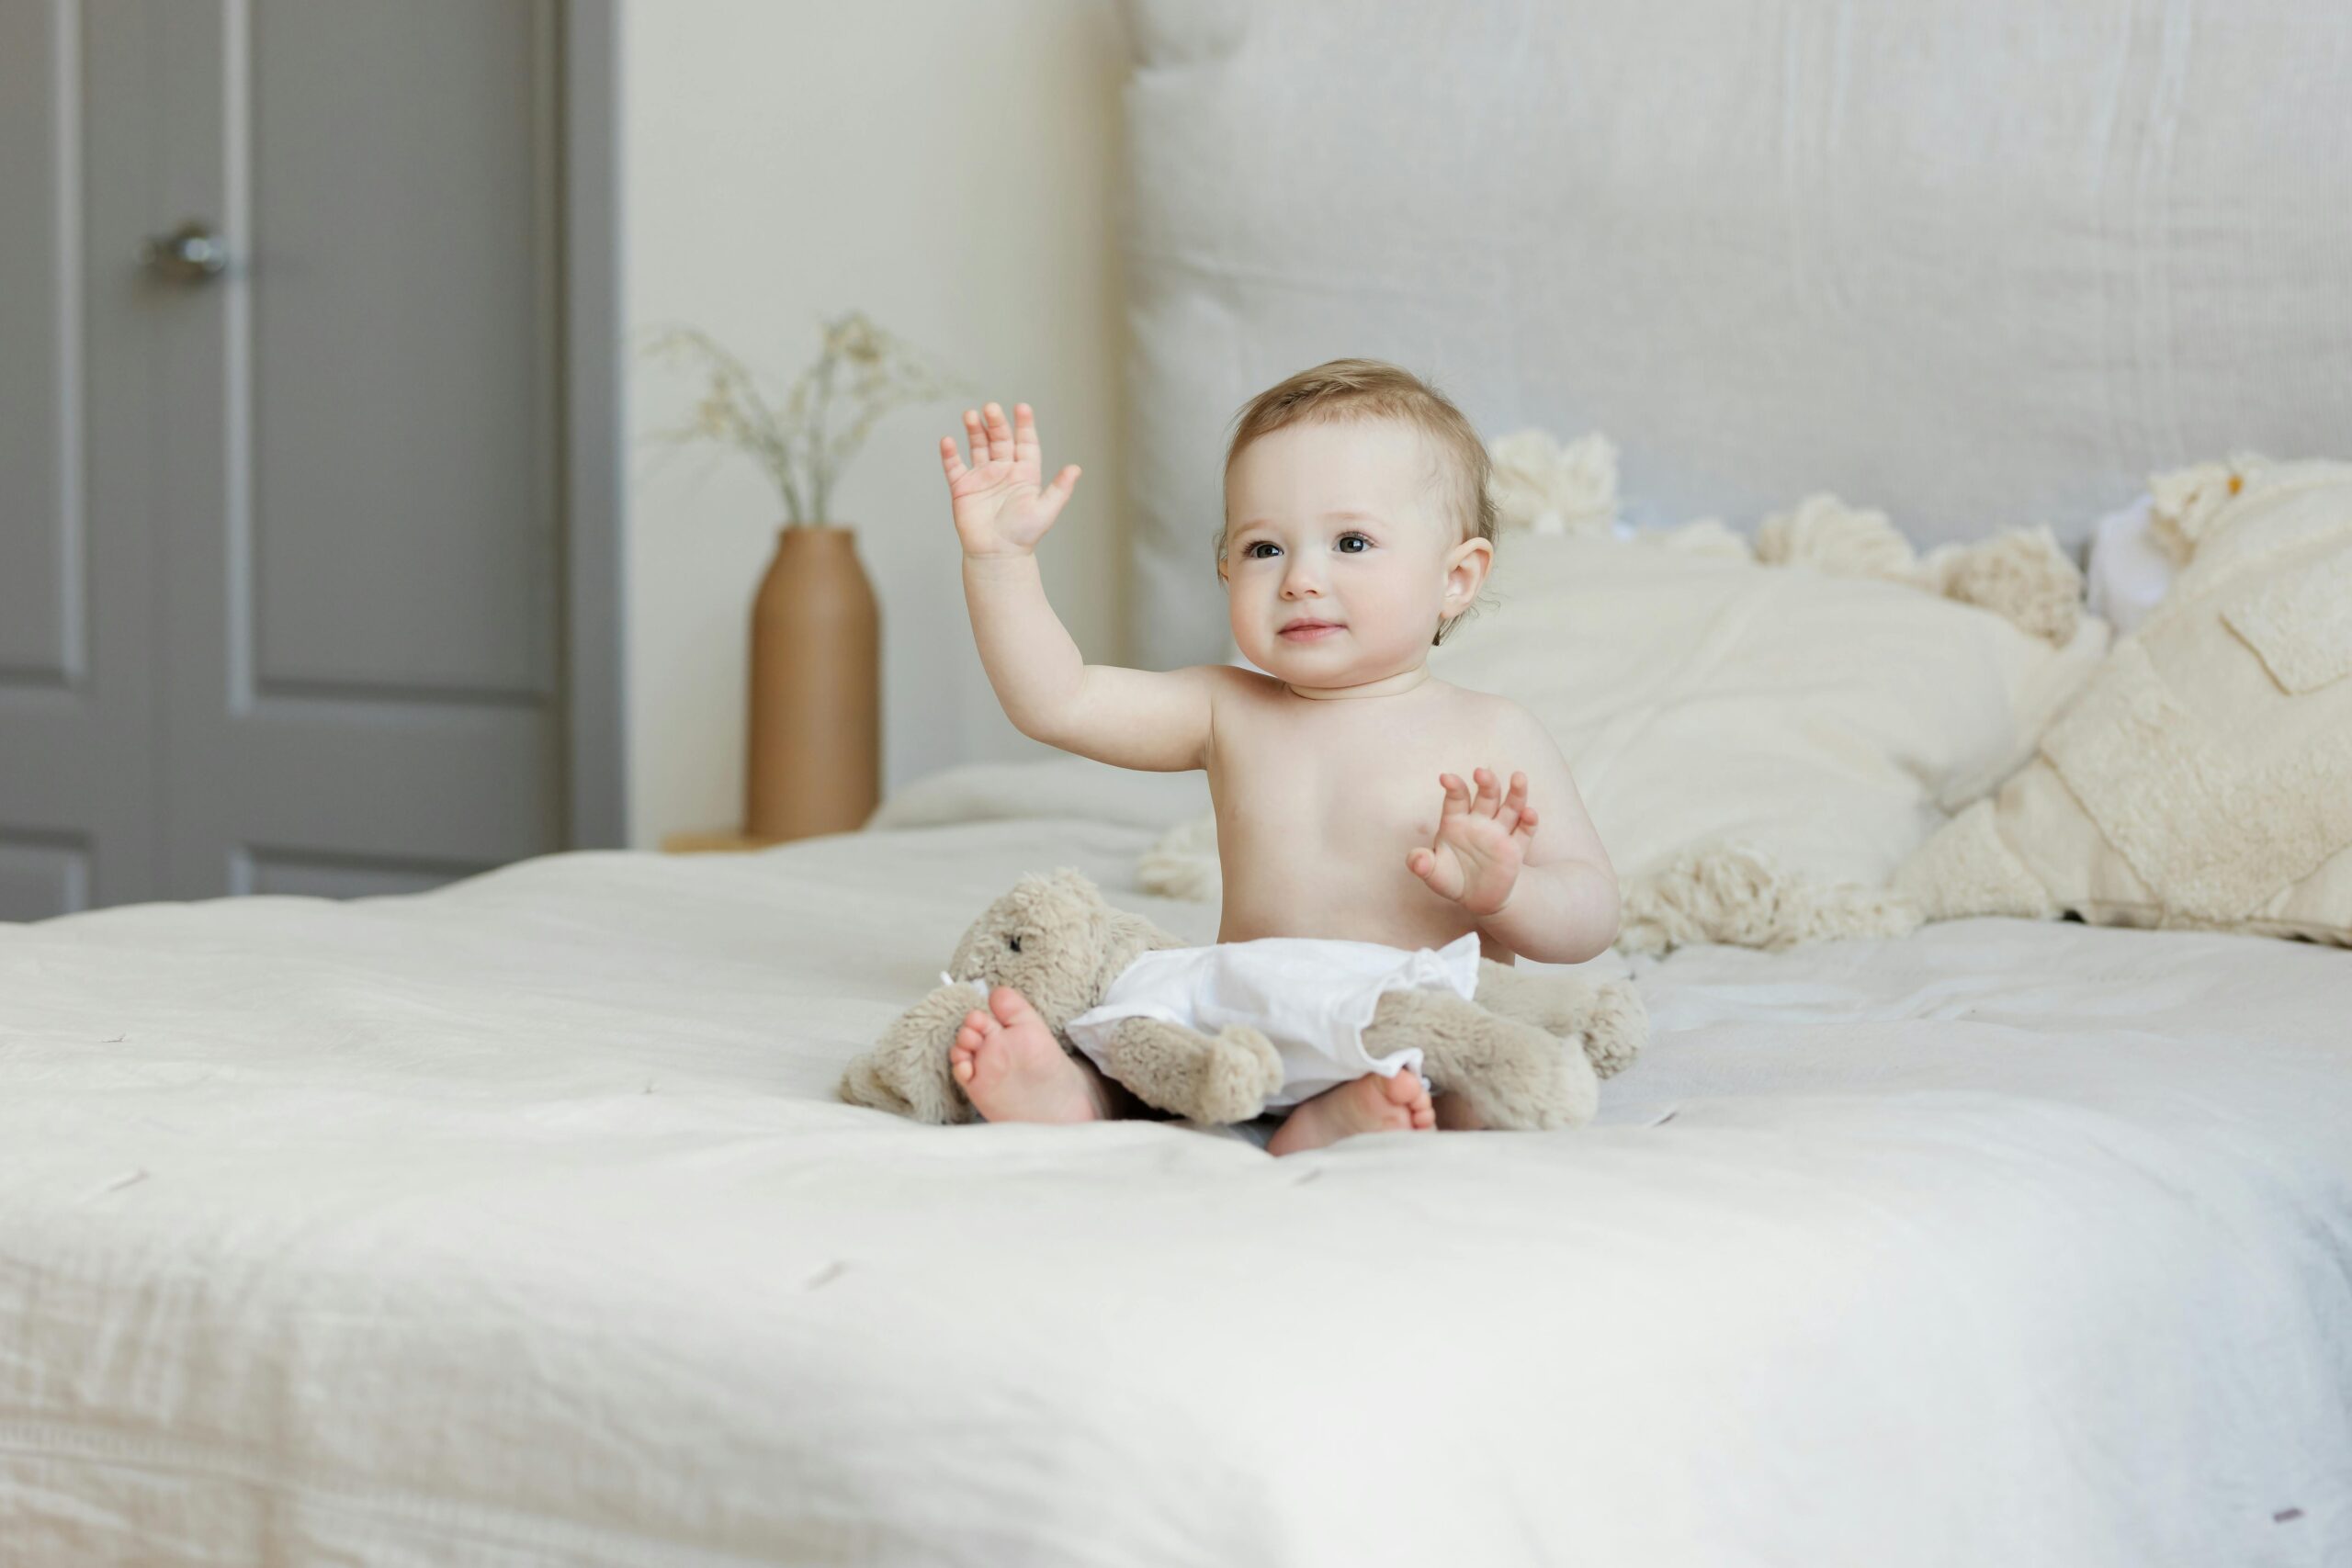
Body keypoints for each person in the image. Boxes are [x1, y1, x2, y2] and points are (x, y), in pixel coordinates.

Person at [938, 359, 1619, 1154]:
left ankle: (1353, 1114)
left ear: (1457, 578)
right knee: (1143, 1027)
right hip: (1249, 1023)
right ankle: (1079, 1095)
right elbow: (1055, 700)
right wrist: (1000, 563)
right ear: (1227, 566)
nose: (1300, 579)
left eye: (1352, 541)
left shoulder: (1493, 732)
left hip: (1407, 1025)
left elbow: (1592, 914)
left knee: (1493, 1085)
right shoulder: (1228, 709)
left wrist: (1506, 892)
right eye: (1263, 548)